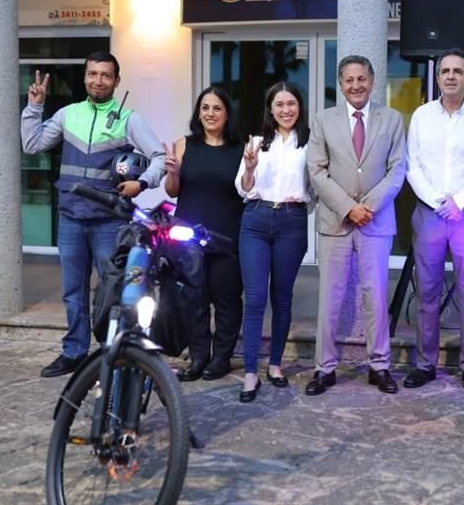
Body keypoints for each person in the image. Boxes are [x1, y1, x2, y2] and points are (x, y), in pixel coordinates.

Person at [22, 51, 165, 379]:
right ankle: (74, 352)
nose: (98, 80)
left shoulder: (129, 119)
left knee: (113, 292)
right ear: (85, 77)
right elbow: (32, 144)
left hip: (110, 221)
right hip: (71, 218)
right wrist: (34, 107)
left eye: (105, 75)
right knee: (73, 293)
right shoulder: (68, 114)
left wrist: (141, 183)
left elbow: (158, 157)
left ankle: (113, 353)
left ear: (116, 80)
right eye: (92, 74)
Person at [306, 55, 407, 396]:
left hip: (376, 222)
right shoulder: (323, 120)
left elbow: (397, 170)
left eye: (361, 79)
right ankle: (324, 368)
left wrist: (369, 207)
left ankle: (379, 366)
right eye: (349, 80)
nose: (356, 86)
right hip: (335, 221)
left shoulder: (391, 119)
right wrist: (349, 208)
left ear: (372, 81)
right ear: (341, 83)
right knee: (330, 298)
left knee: (375, 295)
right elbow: (317, 171)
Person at [403, 49, 464, 393]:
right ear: (438, 77)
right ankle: (426, 364)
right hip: (429, 212)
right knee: (427, 290)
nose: (451, 76)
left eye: (458, 71)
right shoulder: (421, 116)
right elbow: (412, 165)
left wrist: (458, 201)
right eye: (445, 71)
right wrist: (437, 200)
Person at [234, 82, 314, 403]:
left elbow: (317, 185)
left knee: (282, 297)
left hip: (292, 222)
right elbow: (243, 187)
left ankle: (276, 364)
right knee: (254, 299)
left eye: (291, 103)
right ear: (270, 109)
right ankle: (251, 371)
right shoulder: (256, 143)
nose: (285, 110)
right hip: (255, 219)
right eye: (279, 104)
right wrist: (250, 169)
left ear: (299, 106)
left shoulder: (310, 143)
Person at [164, 86, 244, 384]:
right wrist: (172, 172)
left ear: (226, 113)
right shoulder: (184, 145)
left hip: (227, 235)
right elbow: (173, 191)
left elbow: (248, 189)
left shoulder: (240, 148)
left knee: (226, 299)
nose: (210, 113)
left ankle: (221, 357)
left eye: (217, 108)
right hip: (188, 235)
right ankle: (199, 356)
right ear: (199, 112)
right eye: (205, 107)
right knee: (193, 298)